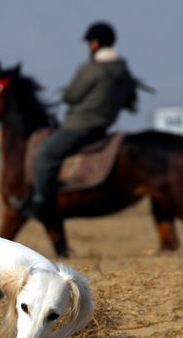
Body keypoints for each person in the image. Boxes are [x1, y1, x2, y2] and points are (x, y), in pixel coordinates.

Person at [13, 21, 146, 222]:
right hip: (104, 126)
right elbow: (130, 101)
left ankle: (41, 202)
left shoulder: (91, 69)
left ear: (94, 44)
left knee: (45, 156)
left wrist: (67, 93)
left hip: (79, 126)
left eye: (89, 43)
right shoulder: (123, 71)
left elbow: (72, 96)